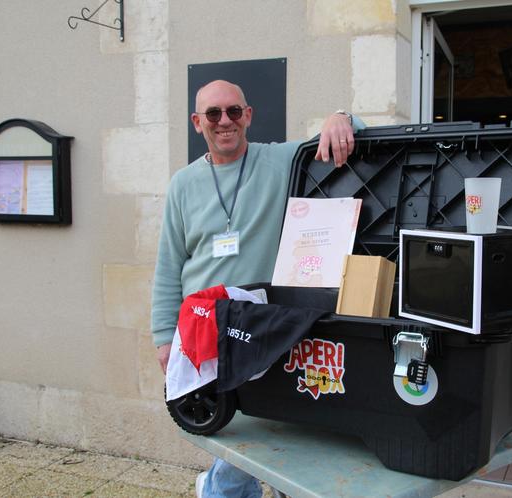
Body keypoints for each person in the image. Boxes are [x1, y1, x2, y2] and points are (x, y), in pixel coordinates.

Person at [151, 79, 363, 498]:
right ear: (198, 123)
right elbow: (168, 265)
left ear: (248, 115)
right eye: (213, 114)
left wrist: (342, 117)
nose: (224, 121)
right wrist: (163, 337)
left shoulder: (280, 159)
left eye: (233, 111)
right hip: (207, 326)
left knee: (267, 433)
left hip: (265, 323)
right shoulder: (183, 184)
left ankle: (222, 490)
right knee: (233, 439)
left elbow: (348, 134)